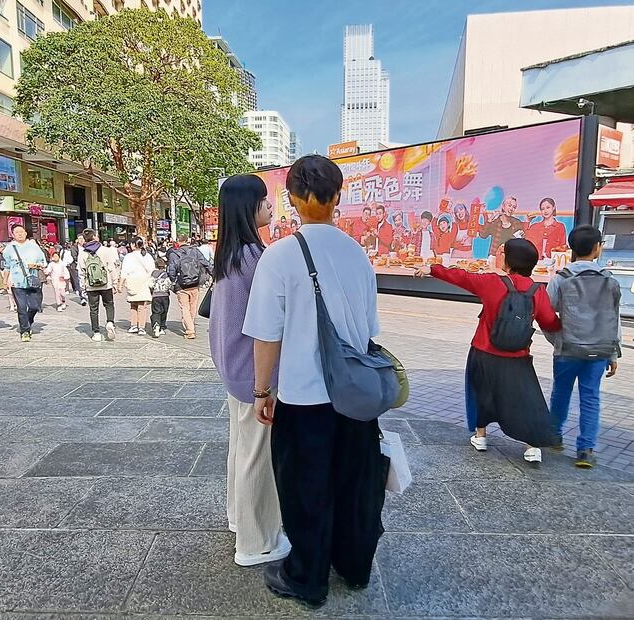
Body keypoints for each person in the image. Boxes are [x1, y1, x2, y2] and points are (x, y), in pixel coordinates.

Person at [243, 155, 387, 608]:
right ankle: (353, 566)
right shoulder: (357, 253)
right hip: (354, 396)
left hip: (304, 398)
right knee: (353, 484)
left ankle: (306, 578)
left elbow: (267, 335)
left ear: (293, 199)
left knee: (305, 490)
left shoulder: (281, 255)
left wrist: (263, 391)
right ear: (338, 197)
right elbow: (367, 330)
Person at [415, 238, 561, 464]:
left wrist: (432, 269)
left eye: (503, 252)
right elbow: (550, 322)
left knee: (481, 392)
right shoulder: (537, 291)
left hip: (484, 350)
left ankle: (481, 436)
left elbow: (461, 277)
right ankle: (532, 447)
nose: (499, 255)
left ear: (510, 260)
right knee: (524, 399)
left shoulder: (492, 282)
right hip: (518, 357)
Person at [210, 174, 291, 568]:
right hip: (256, 375)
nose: (271, 205)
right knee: (259, 459)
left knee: (243, 452)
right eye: (264, 200)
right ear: (249, 208)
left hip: (234, 370)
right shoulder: (255, 258)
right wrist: (265, 387)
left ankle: (239, 521)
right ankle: (256, 542)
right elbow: (268, 326)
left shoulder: (229, 254)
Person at [545, 225, 620, 468]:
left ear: (571, 248)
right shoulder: (609, 280)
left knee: (561, 392)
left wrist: (556, 339)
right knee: (590, 397)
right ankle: (586, 450)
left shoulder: (560, 278)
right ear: (597, 248)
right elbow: (614, 317)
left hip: (567, 349)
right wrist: (613, 352)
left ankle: (553, 436)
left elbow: (546, 314)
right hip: (599, 350)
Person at [2, 225, 47, 342]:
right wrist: (5, 280)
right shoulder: (9, 248)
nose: (20, 234)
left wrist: (36, 266)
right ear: (13, 234)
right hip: (17, 282)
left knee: (34, 306)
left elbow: (43, 263)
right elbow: (6, 266)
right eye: (16, 232)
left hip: (33, 281)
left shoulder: (34, 247)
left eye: (21, 231)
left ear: (26, 233)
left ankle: (28, 321)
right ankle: (25, 331)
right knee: (21, 308)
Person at [168, 234, 212, 340]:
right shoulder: (195, 251)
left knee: (185, 308)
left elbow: (172, 270)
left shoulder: (174, 254)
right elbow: (206, 264)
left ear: (178, 242)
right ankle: (190, 325)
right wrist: (214, 276)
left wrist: (173, 280)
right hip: (195, 284)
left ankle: (190, 330)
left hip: (181, 285)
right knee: (192, 307)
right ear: (187, 240)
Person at [78, 229, 119, 342]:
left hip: (91, 286)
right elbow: (112, 268)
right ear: (95, 237)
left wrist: (83, 287)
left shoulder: (82, 253)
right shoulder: (105, 250)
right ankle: (110, 322)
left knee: (93, 309)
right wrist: (115, 282)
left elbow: (81, 272)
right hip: (106, 284)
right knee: (109, 304)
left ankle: (96, 332)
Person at [120, 239, 155, 335]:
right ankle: (141, 327)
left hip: (132, 282)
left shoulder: (128, 257)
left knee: (133, 305)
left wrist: (120, 285)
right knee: (142, 306)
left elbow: (124, 272)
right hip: (144, 282)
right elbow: (152, 271)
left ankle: (134, 325)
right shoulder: (147, 256)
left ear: (133, 245)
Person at [149, 257, 172, 338]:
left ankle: (156, 324)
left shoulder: (153, 273)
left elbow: (150, 284)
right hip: (165, 295)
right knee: (164, 311)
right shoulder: (166, 274)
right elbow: (169, 284)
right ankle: (162, 326)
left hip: (156, 296)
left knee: (156, 311)